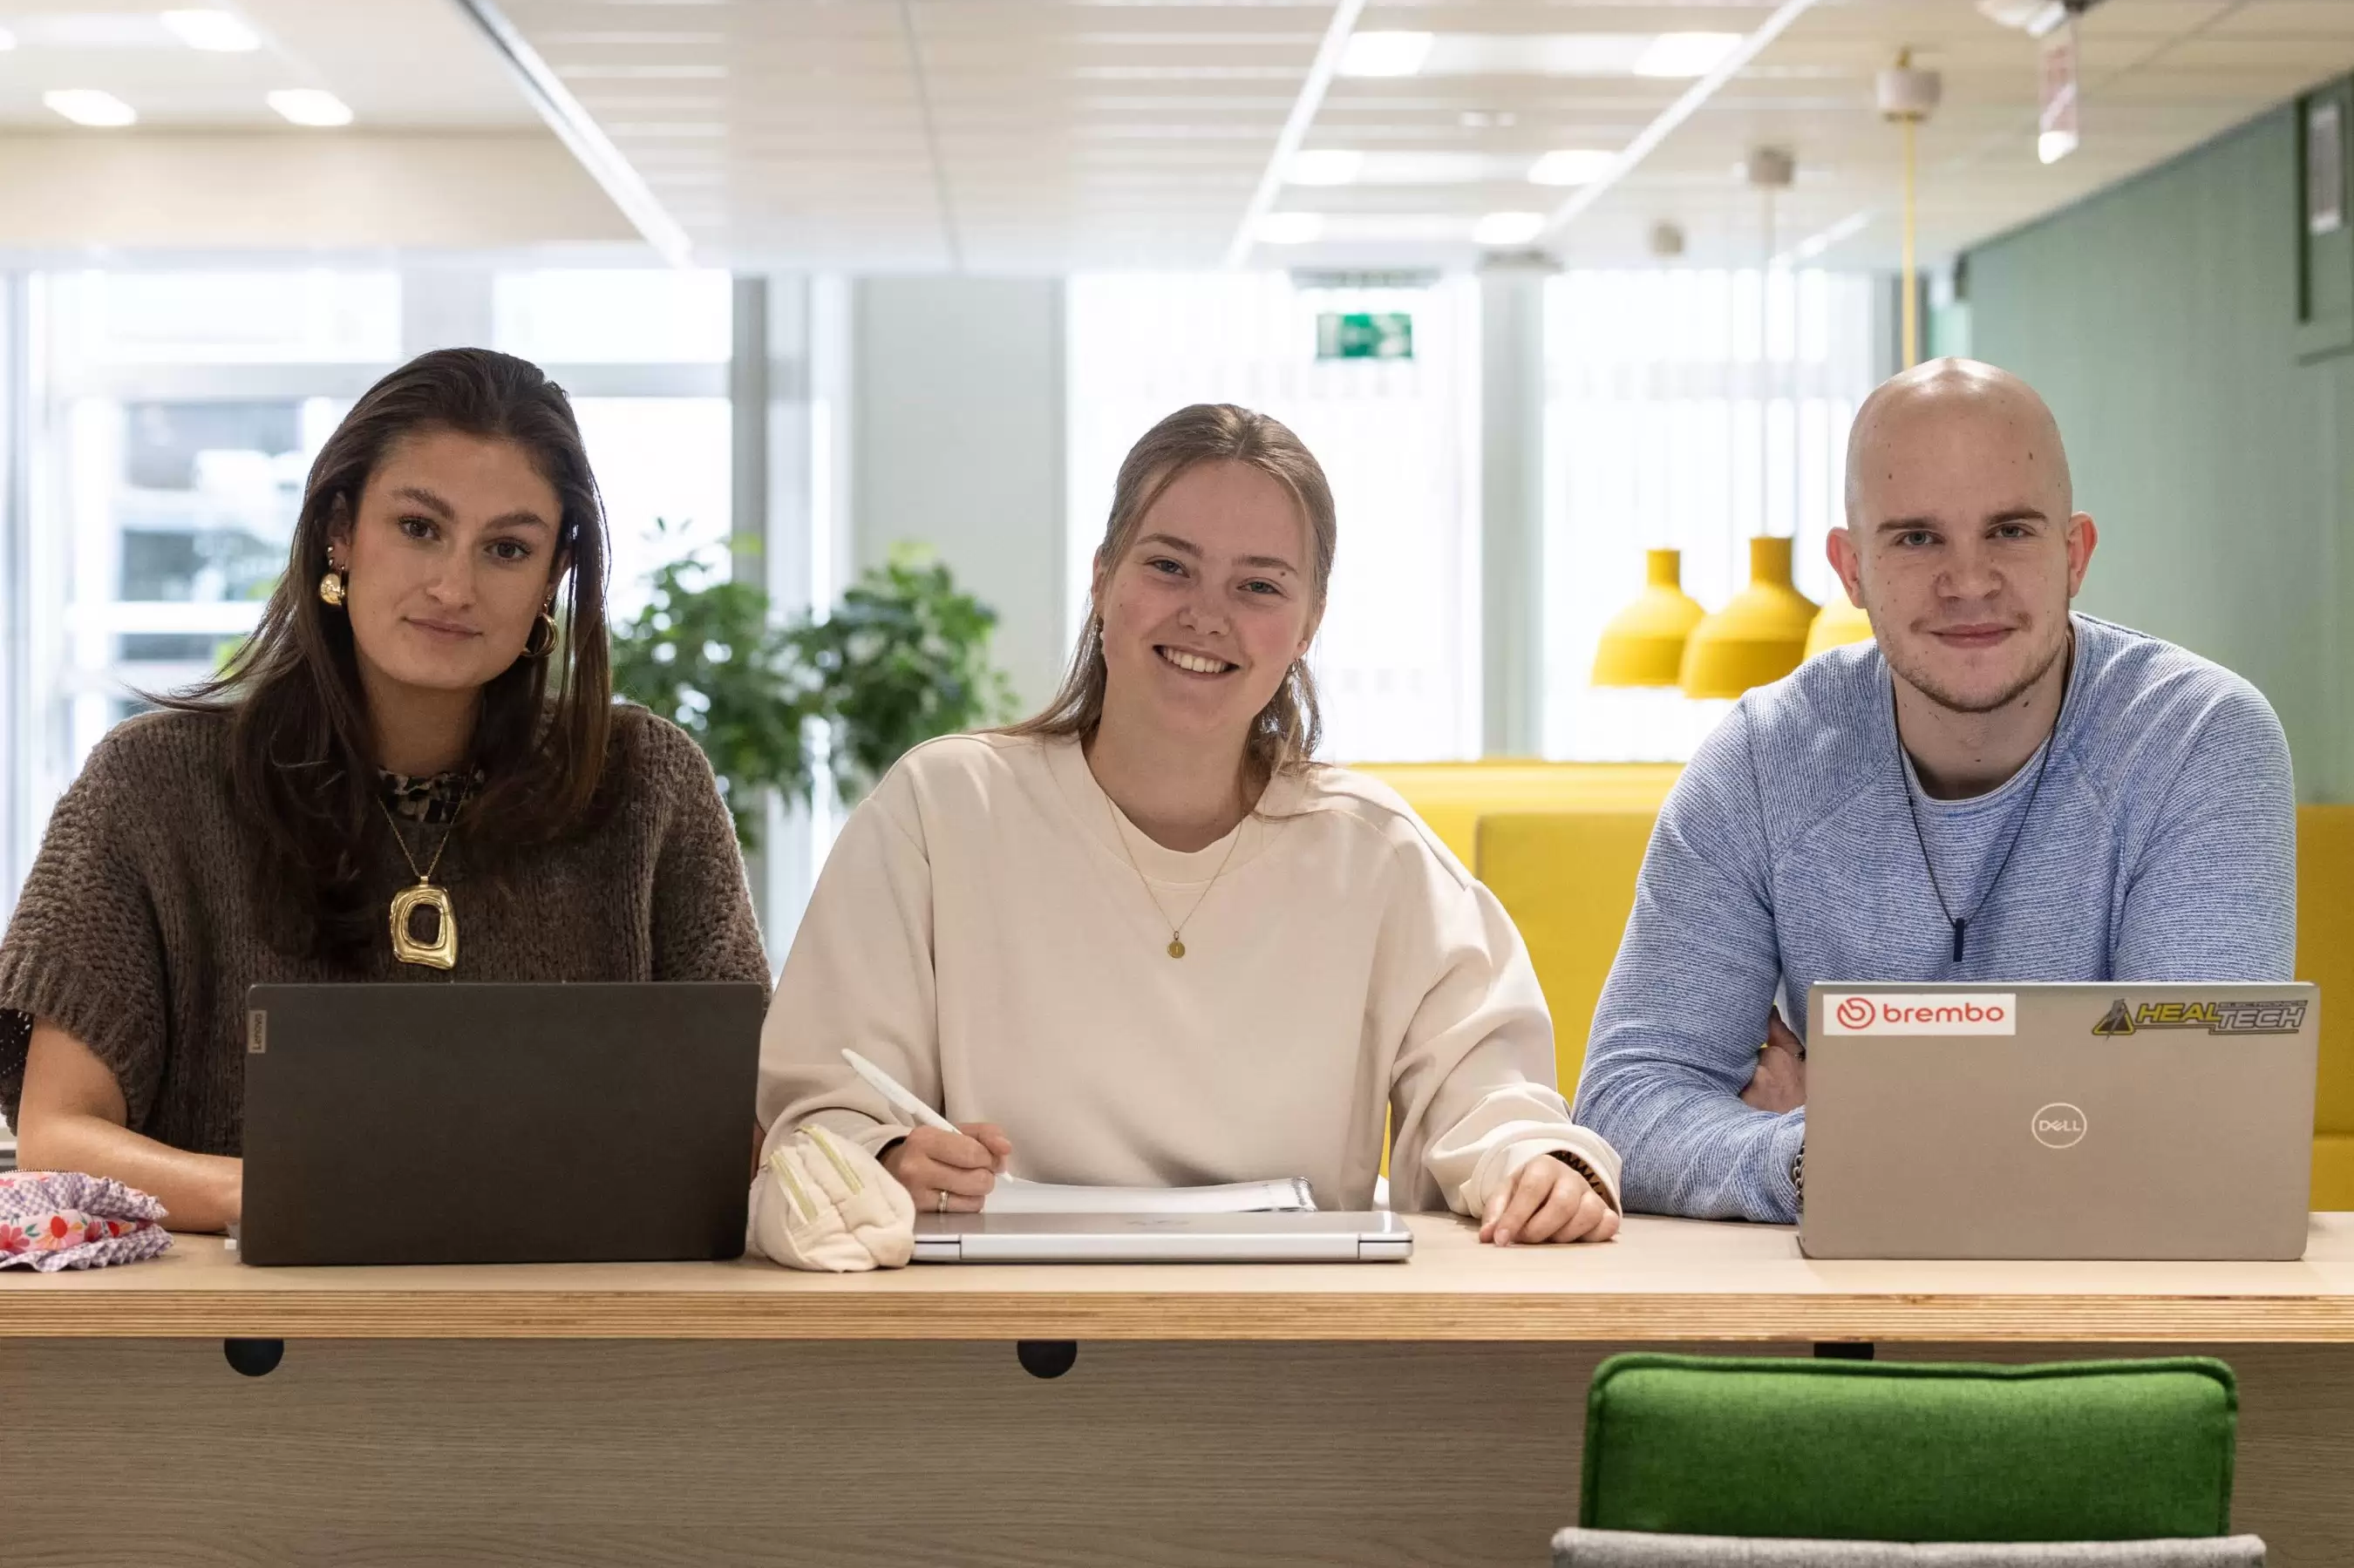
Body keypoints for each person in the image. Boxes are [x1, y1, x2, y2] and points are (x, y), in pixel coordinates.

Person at [758, 403, 1621, 1246]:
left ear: (1309, 623)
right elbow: (821, 1112)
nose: (1208, 614)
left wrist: (1536, 1164)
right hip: (997, 1340)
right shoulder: (942, 811)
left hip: (1293, 1345)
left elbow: (1492, 1098)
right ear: (1102, 579)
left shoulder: (1376, 853)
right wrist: (889, 1157)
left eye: (1258, 585)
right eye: (1169, 567)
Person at [0, 348, 770, 1231]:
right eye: (418, 528)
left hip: (575, 1331)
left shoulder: (648, 785)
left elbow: (743, 1123)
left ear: (552, 577)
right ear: (340, 530)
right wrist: (286, 1195)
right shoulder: (150, 786)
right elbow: (59, 1134)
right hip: (237, 1341)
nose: (454, 586)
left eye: (507, 549)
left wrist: (872, 1149)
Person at [1574, 358, 2296, 1223]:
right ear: (1851, 569)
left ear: (2076, 553)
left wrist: (1858, 1131)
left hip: (2120, 1328)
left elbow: (2199, 1134)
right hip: (1833, 1324)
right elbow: (1625, 1101)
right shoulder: (1763, 761)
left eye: (2011, 532)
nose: (1968, 582)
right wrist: (1809, 1155)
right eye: (1918, 538)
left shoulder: (2199, 740)